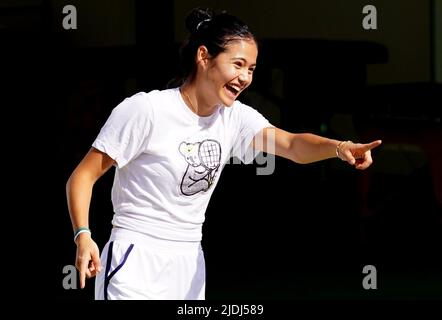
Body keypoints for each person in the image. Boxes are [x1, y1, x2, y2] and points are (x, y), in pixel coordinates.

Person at [66, 7, 382, 300]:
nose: (245, 77)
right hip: (135, 257)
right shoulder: (146, 109)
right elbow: (82, 176)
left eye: (252, 69)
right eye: (238, 64)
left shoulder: (234, 118)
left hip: (189, 261)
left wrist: (339, 148)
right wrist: (83, 234)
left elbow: (291, 145)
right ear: (204, 57)